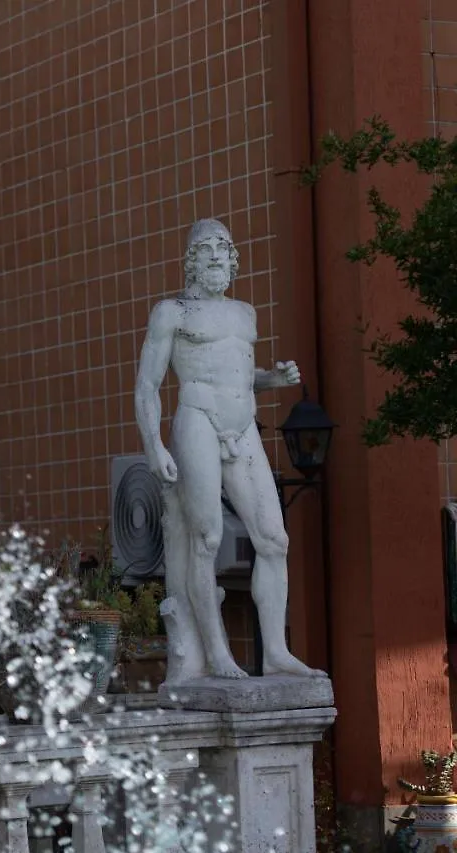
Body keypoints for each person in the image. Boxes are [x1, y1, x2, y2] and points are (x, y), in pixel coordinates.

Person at [134, 218, 324, 681]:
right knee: (208, 539)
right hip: (198, 420)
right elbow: (147, 385)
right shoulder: (172, 312)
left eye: (225, 247)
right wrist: (154, 445)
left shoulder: (244, 313)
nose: (217, 254)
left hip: (244, 429)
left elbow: (236, 374)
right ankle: (216, 653)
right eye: (207, 248)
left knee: (273, 539)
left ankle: (276, 651)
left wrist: (271, 379)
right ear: (191, 260)